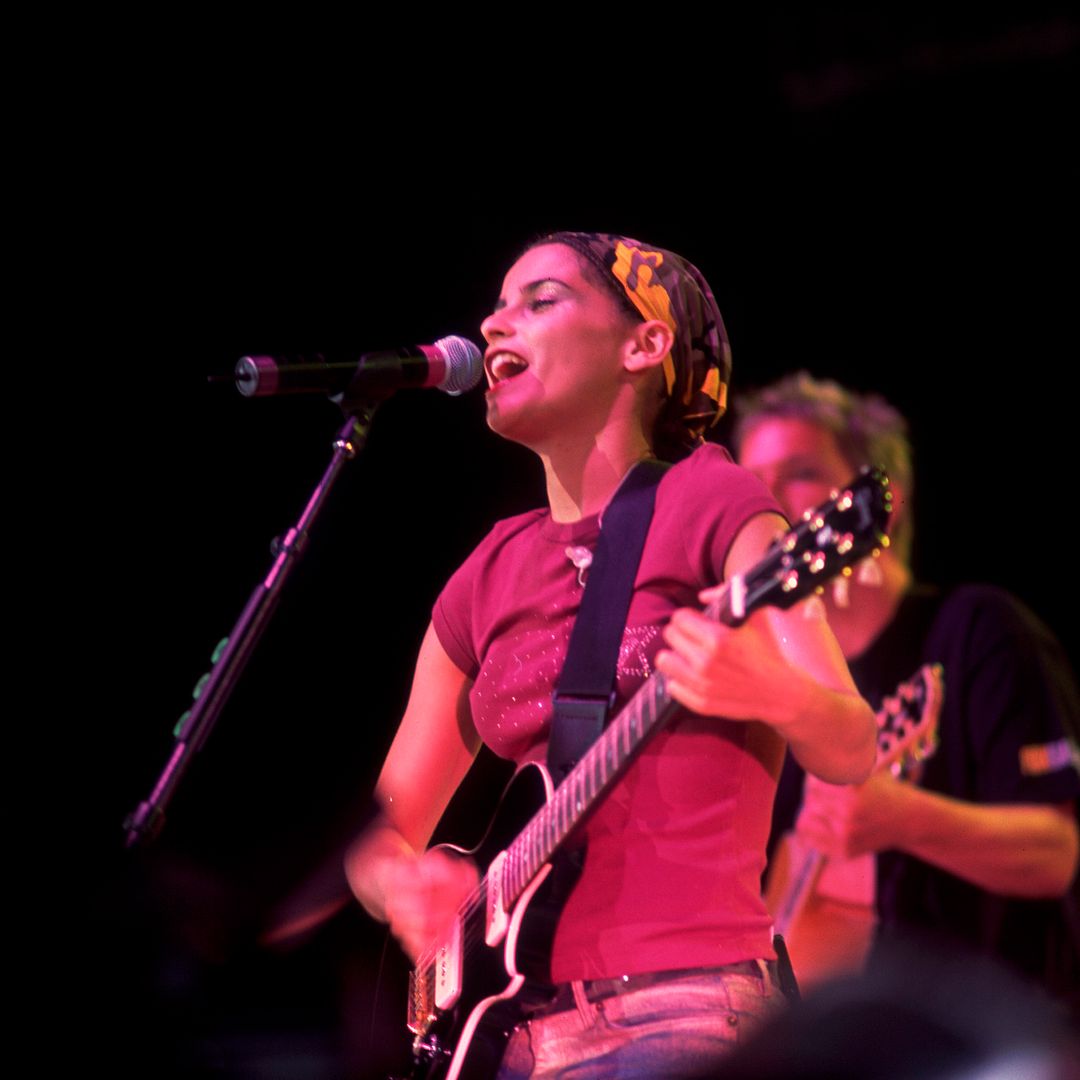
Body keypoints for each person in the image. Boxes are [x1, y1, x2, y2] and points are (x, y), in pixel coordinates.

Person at [345, 234, 876, 1076]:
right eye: (498, 303)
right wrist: (407, 892)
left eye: (539, 300)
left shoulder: (716, 499)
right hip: (503, 1034)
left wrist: (765, 685)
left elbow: (851, 745)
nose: (492, 323)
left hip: (680, 1008)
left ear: (644, 344)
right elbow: (378, 834)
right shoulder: (486, 571)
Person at [733, 372, 1080, 1004]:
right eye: (752, 479)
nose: (769, 500)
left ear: (878, 503)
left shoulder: (977, 628)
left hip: (987, 1032)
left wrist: (906, 818)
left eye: (800, 471)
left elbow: (1058, 853)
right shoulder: (770, 682)